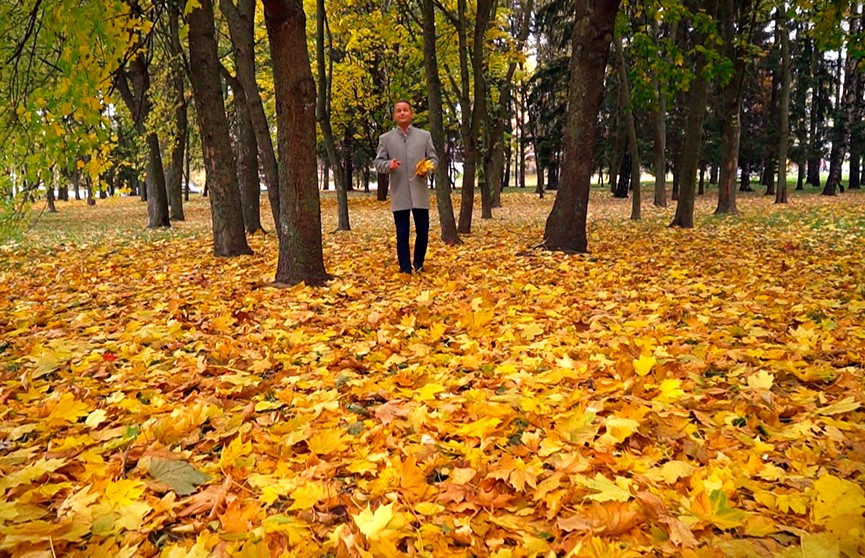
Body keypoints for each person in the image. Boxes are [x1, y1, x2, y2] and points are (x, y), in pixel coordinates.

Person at [374, 100, 438, 274]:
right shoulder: (385, 139)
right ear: (394, 116)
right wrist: (389, 165)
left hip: (419, 191)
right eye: (398, 111)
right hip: (399, 192)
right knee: (402, 233)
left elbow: (433, 159)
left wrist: (427, 169)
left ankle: (418, 263)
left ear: (411, 113)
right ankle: (404, 268)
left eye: (405, 110)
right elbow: (378, 163)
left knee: (423, 231)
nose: (402, 113)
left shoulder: (424, 136)